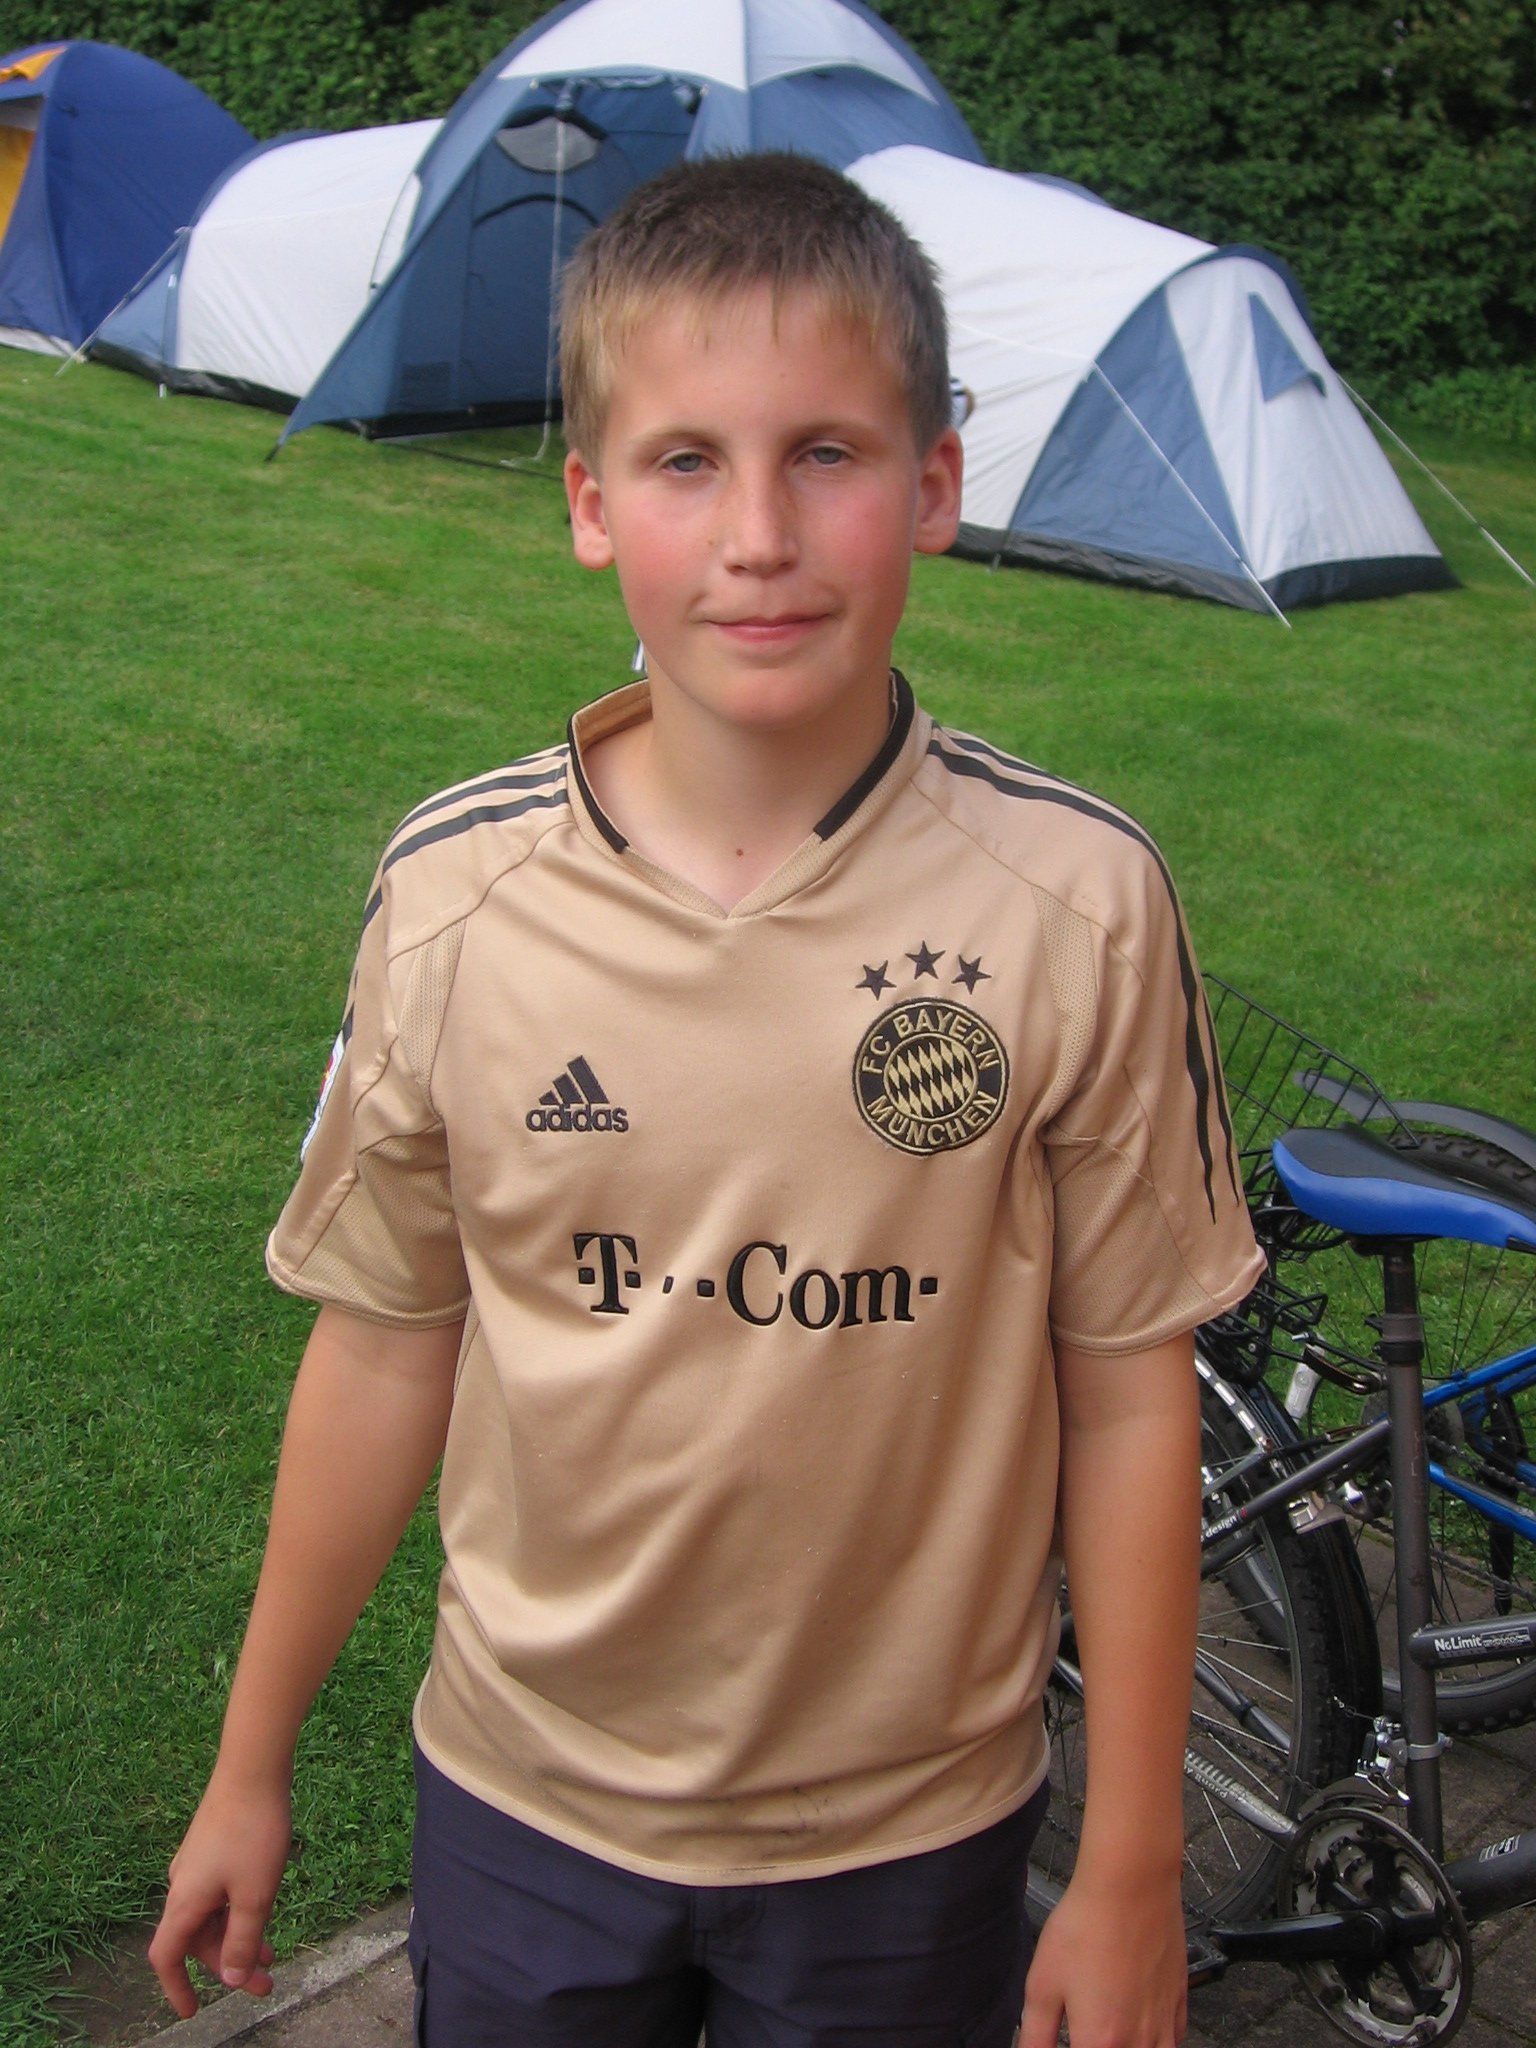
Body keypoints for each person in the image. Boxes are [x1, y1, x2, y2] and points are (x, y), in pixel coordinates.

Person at [148, 152, 1263, 2046]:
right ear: (591, 506)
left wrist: (1135, 1861)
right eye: (685, 461)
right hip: (525, 1801)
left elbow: (1131, 1389)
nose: (759, 534)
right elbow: (386, 1343)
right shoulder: (458, 897)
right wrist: (250, 1763)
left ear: (936, 484)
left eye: (826, 453)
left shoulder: (1076, 904)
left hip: (910, 1836)